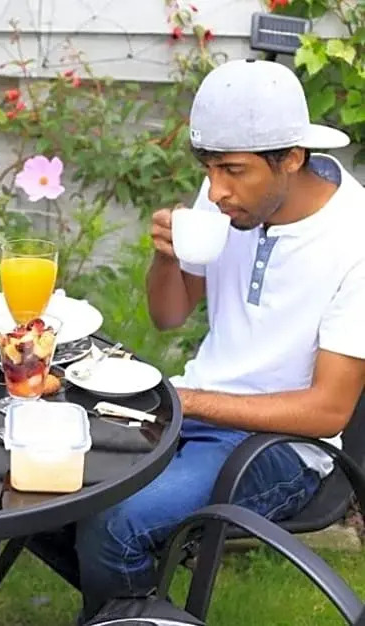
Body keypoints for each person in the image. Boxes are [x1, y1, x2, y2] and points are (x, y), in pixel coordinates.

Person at [36, 58, 365, 621]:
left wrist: (184, 401)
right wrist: (167, 257)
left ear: (291, 157)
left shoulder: (354, 239)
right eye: (208, 169)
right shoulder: (230, 196)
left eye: (232, 171)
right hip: (194, 410)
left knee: (115, 526)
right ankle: (139, 607)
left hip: (282, 448)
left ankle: (131, 604)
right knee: (39, 473)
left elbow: (327, 411)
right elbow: (168, 315)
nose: (216, 190)